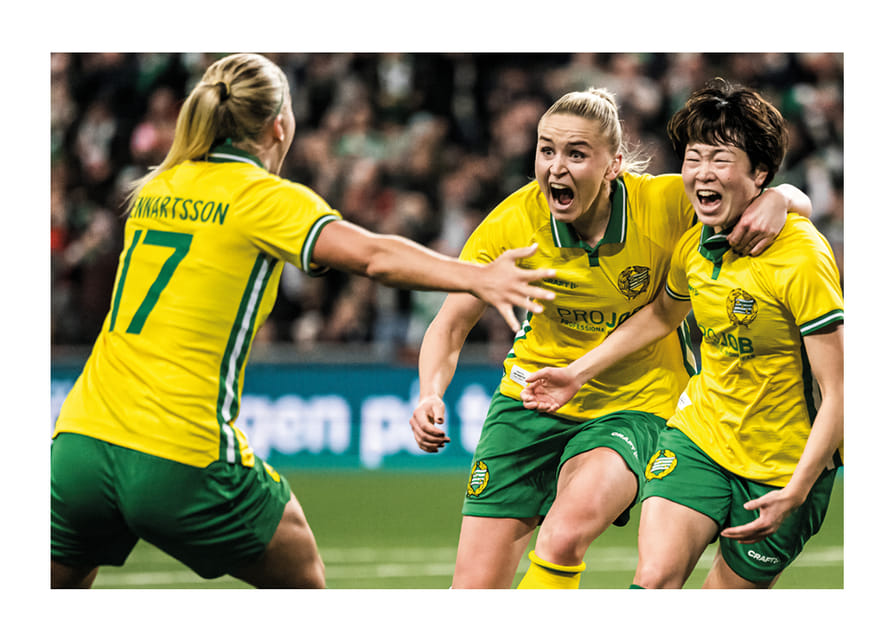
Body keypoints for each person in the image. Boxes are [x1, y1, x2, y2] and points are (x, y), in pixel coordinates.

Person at [50, 52, 559, 589]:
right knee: (304, 580)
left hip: (79, 440)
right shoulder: (262, 198)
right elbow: (373, 256)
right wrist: (474, 277)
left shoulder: (158, 187)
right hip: (178, 452)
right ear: (279, 124)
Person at [409, 86, 813, 588]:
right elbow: (450, 322)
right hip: (530, 398)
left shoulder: (665, 202)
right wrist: (430, 391)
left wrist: (783, 198)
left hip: (635, 403)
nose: (556, 167)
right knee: (473, 591)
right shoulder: (513, 223)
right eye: (546, 149)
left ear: (613, 164)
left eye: (576, 154)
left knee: (562, 534)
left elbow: (759, 192)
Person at [521, 78, 843, 588]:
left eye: (720, 159)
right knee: (653, 580)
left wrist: (798, 488)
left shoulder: (801, 257)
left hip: (783, 468)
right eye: (694, 158)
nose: (701, 174)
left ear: (759, 172)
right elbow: (660, 315)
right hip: (700, 439)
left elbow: (841, 390)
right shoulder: (695, 246)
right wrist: (577, 374)